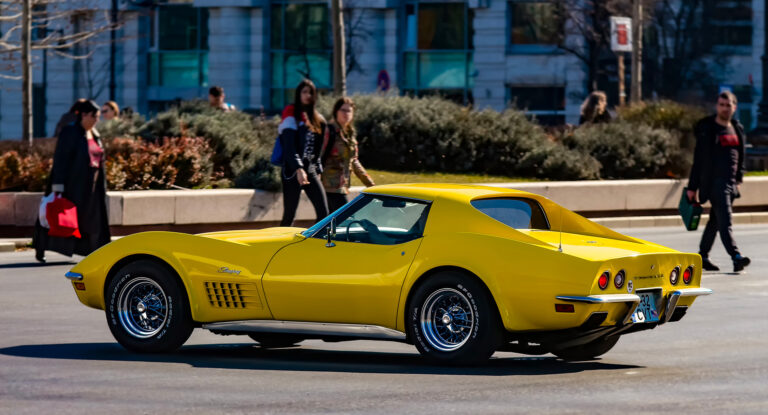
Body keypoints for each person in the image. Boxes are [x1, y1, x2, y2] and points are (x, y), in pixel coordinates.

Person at [33, 100, 111, 262]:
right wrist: (58, 187)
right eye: (94, 116)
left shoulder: (95, 135)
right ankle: (41, 248)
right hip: (72, 185)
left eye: (98, 117)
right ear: (83, 115)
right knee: (59, 216)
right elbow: (61, 159)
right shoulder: (70, 132)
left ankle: (94, 251)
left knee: (93, 220)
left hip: (92, 187)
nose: (97, 120)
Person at [686, 91, 750, 272]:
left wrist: (739, 178)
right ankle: (736, 256)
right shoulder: (708, 129)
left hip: (731, 184)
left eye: (728, 105)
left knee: (715, 221)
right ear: (717, 106)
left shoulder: (737, 128)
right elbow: (698, 160)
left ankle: (702, 256)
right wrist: (692, 187)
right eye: (721, 105)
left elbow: (741, 156)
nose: (724, 108)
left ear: (734, 107)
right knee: (725, 221)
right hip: (715, 183)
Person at [277, 79, 329, 226]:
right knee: (289, 215)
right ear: (298, 94)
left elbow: (317, 151)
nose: (307, 95)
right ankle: (280, 245)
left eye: (311, 92)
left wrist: (318, 170)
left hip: (310, 170)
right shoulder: (291, 113)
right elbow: (289, 146)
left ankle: (315, 244)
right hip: (293, 170)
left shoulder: (318, 119)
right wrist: (299, 168)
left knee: (324, 213)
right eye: (304, 92)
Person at [322, 97, 375, 213]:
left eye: (349, 111)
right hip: (328, 186)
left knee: (330, 223)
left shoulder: (350, 134)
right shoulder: (329, 131)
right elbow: (318, 156)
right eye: (343, 110)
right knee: (346, 216)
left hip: (342, 186)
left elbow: (354, 161)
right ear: (336, 112)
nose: (346, 113)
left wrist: (370, 184)